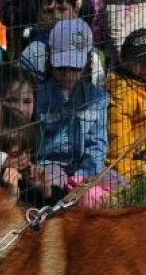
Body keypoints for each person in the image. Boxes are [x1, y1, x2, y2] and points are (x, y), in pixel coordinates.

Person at [34, 19, 110, 198]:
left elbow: (97, 144)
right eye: (61, 68)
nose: (68, 74)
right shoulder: (40, 96)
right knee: (53, 188)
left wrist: (86, 174)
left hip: (85, 166)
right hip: (50, 164)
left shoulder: (97, 98)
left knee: (119, 186)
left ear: (87, 63)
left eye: (74, 68)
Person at [106, 29, 146, 180]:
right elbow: (118, 159)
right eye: (141, 62)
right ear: (124, 60)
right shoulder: (121, 97)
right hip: (138, 166)